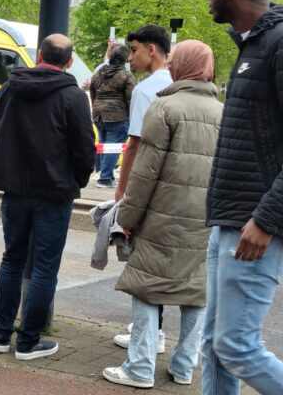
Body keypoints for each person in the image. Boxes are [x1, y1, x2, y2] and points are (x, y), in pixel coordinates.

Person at [101, 40, 223, 389]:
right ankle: (184, 367)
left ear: (179, 65)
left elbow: (145, 171)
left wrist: (127, 218)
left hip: (162, 216)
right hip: (206, 219)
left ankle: (139, 367)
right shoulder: (223, 112)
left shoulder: (164, 107)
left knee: (147, 287)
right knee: (196, 292)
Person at [0, 34, 95, 361]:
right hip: (55, 193)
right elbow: (84, 150)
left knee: (12, 259)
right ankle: (28, 341)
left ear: (38, 55)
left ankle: (1, 334)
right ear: (69, 61)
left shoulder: (8, 89)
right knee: (45, 267)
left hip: (14, 190)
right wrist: (78, 180)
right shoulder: (73, 97)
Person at [201, 0, 283, 395]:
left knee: (236, 346)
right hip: (231, 220)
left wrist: (266, 219)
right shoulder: (253, 44)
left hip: (255, 225)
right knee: (214, 345)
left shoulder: (279, 43)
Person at [111, 24, 172, 352]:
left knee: (143, 260)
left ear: (152, 49)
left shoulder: (147, 90)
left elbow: (133, 145)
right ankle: (158, 333)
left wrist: (121, 192)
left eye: (134, 50)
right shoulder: (178, 83)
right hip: (174, 186)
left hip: (147, 185)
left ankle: (150, 334)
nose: (130, 57)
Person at [89, 44, 135, 188]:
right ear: (125, 59)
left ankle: (103, 174)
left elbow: (92, 89)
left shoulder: (99, 72)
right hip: (117, 115)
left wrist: (96, 104)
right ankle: (105, 178)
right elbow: (130, 98)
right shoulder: (126, 75)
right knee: (113, 147)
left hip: (98, 114)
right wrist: (131, 115)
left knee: (104, 145)